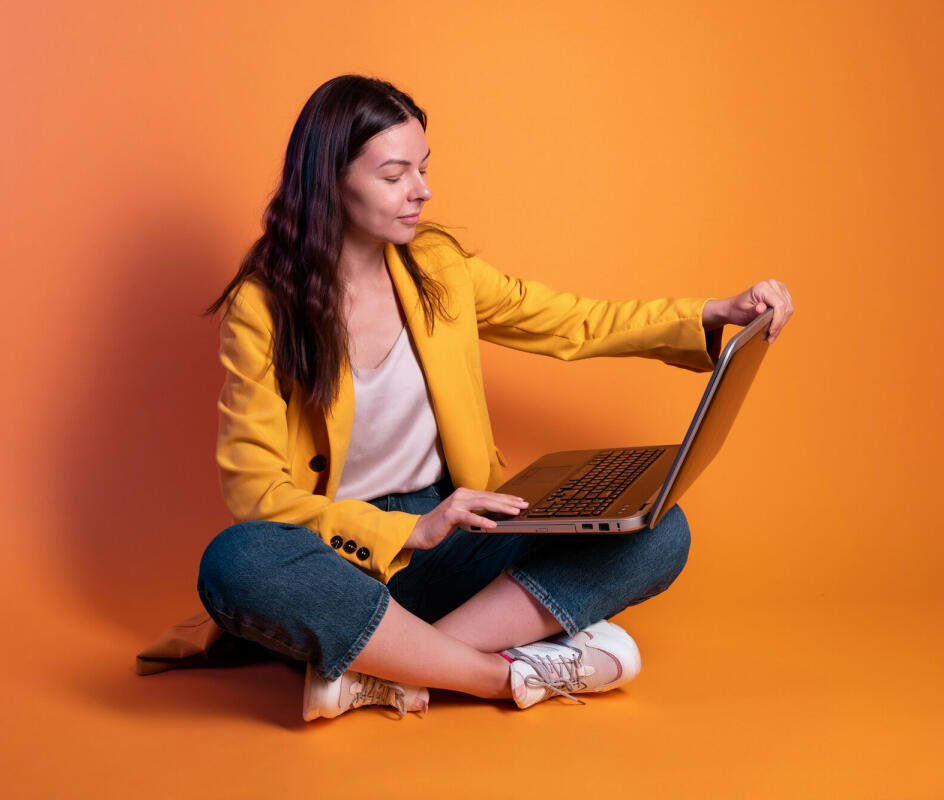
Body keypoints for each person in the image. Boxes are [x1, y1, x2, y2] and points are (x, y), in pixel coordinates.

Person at [138, 74, 794, 721]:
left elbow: (572, 320)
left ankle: (392, 668)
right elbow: (257, 496)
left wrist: (714, 312)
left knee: (658, 526)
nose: (420, 191)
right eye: (395, 176)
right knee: (237, 558)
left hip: (453, 542)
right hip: (336, 563)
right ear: (330, 183)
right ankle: (498, 675)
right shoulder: (263, 307)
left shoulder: (439, 265)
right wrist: (405, 528)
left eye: (422, 169)